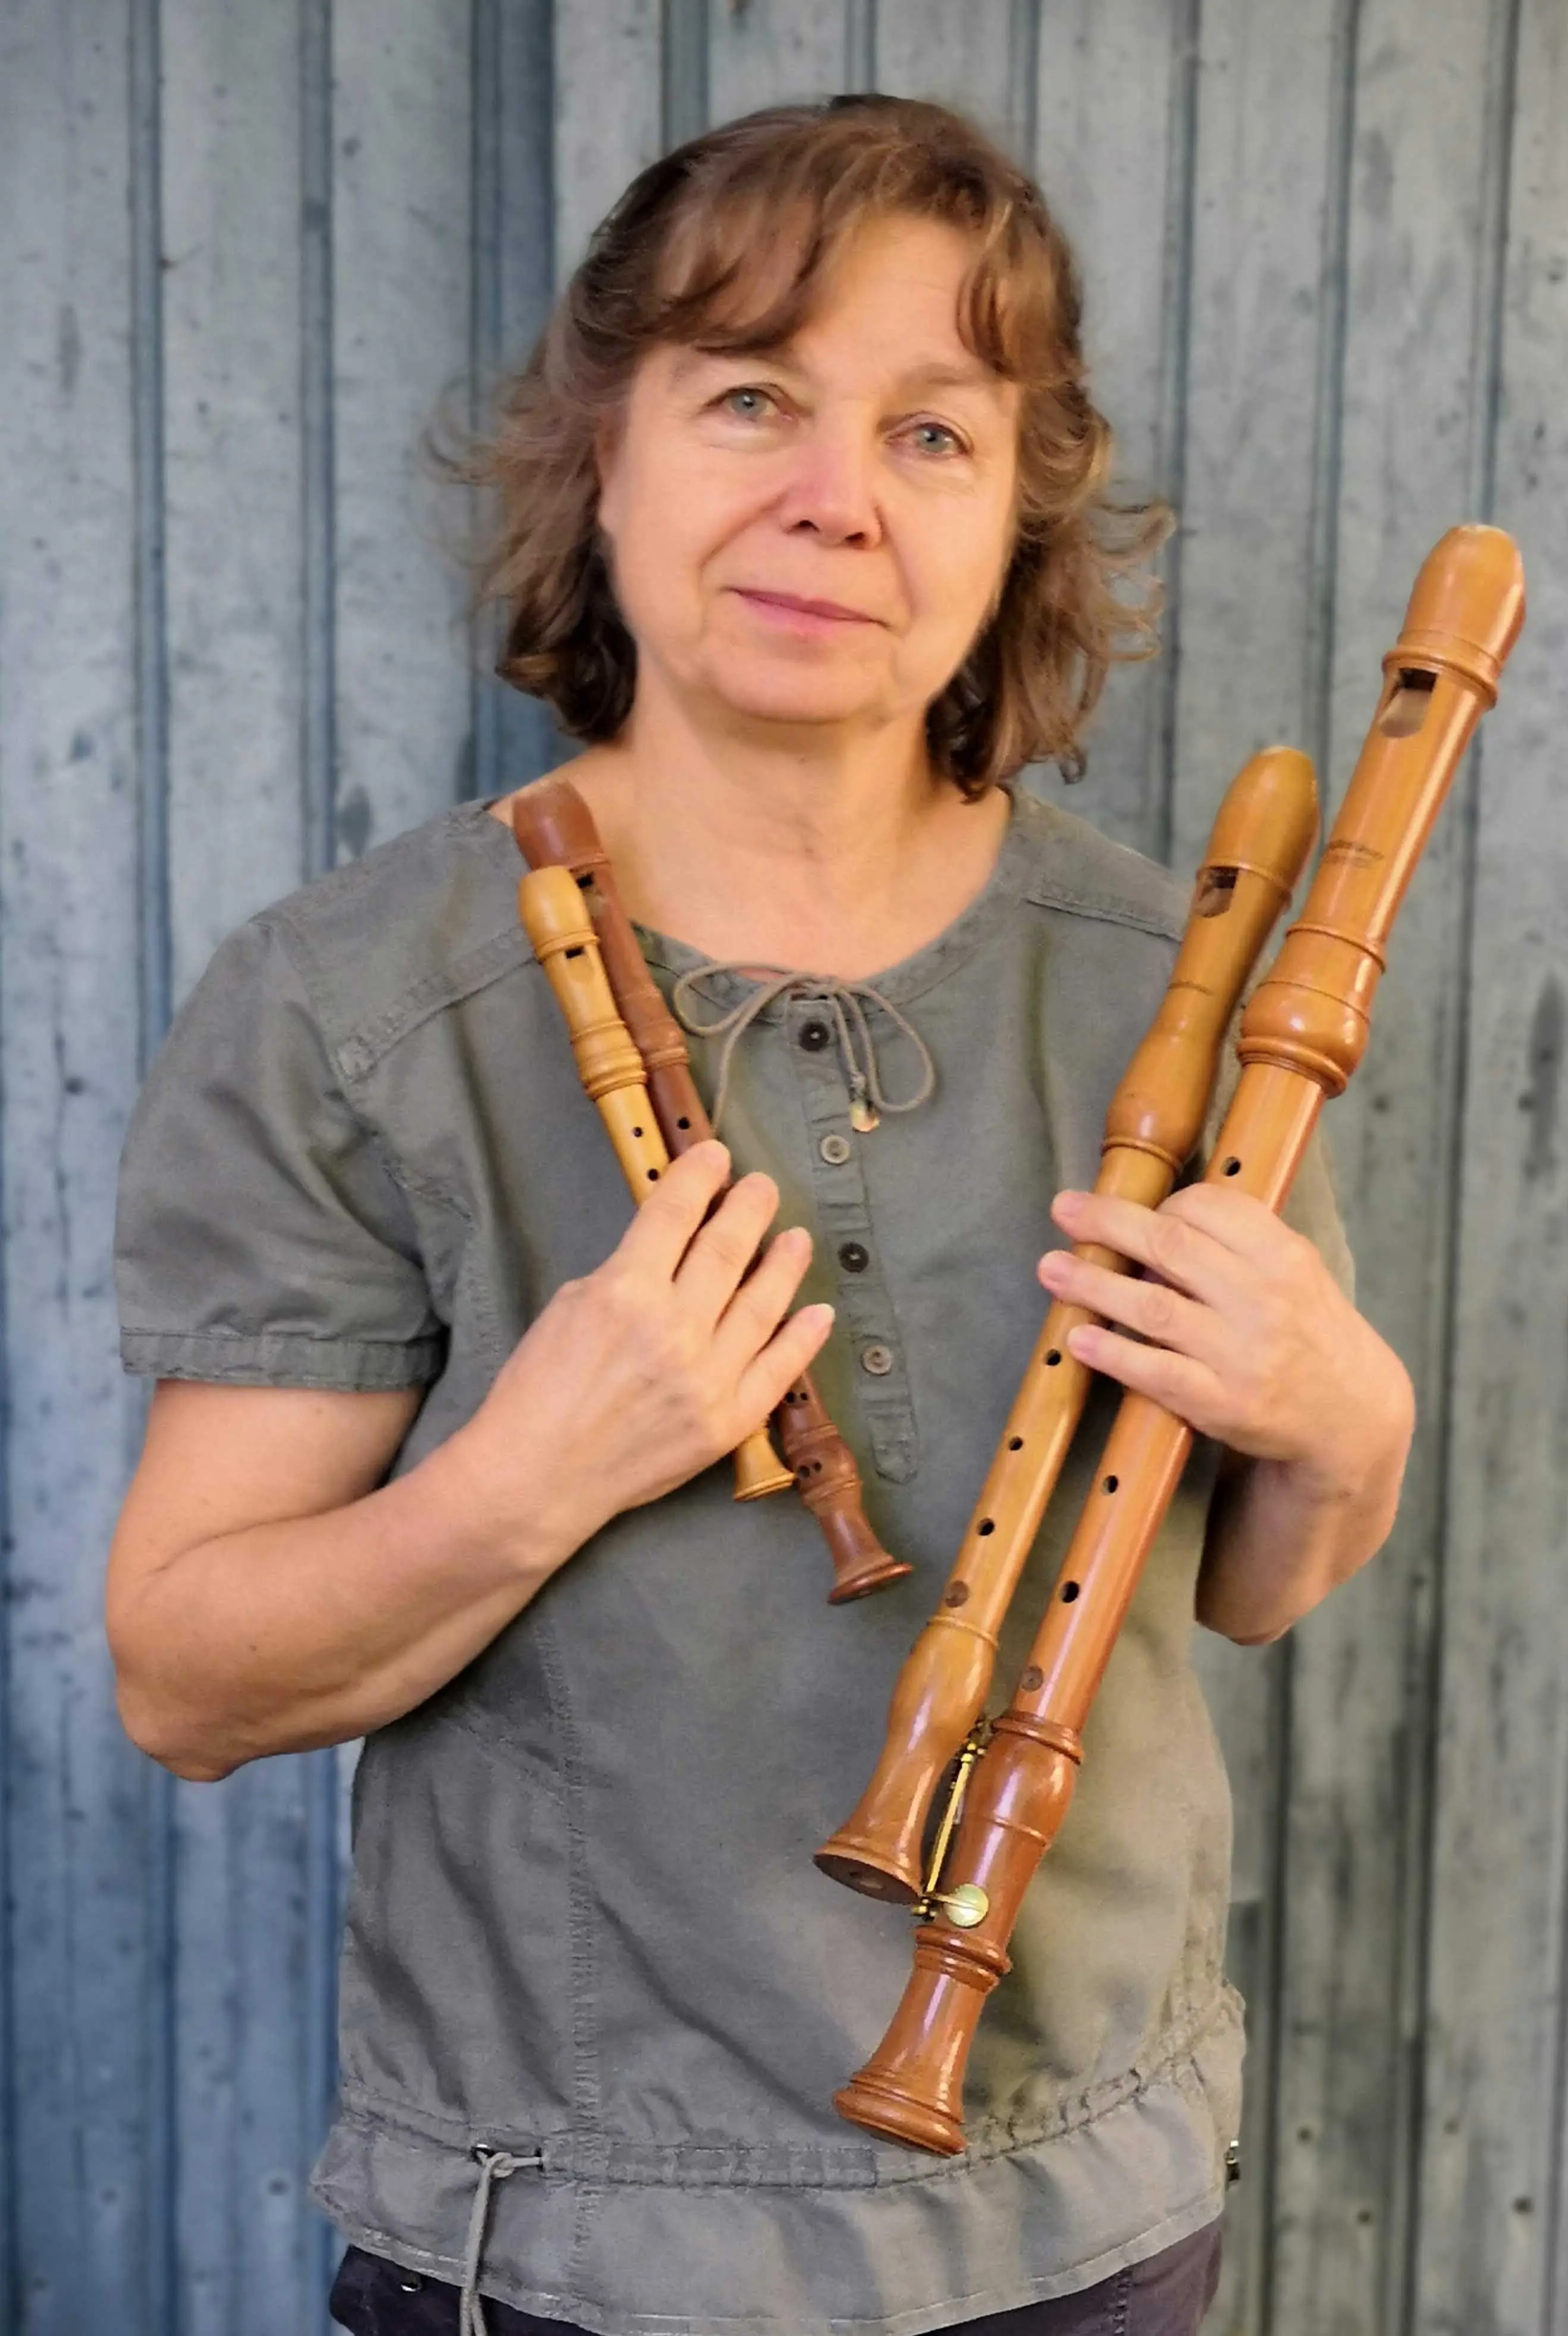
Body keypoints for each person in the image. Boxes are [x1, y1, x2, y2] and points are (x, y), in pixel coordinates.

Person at [106, 97, 1414, 2336]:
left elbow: (1246, 1590)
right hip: (571, 2238)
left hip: (1082, 2206)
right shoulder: (346, 1005)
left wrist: (1344, 1422)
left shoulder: (1169, 985)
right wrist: (531, 1469)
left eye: (931, 430)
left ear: (1016, 518)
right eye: (749, 400)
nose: (834, 496)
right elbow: (184, 1678)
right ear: (596, 452)